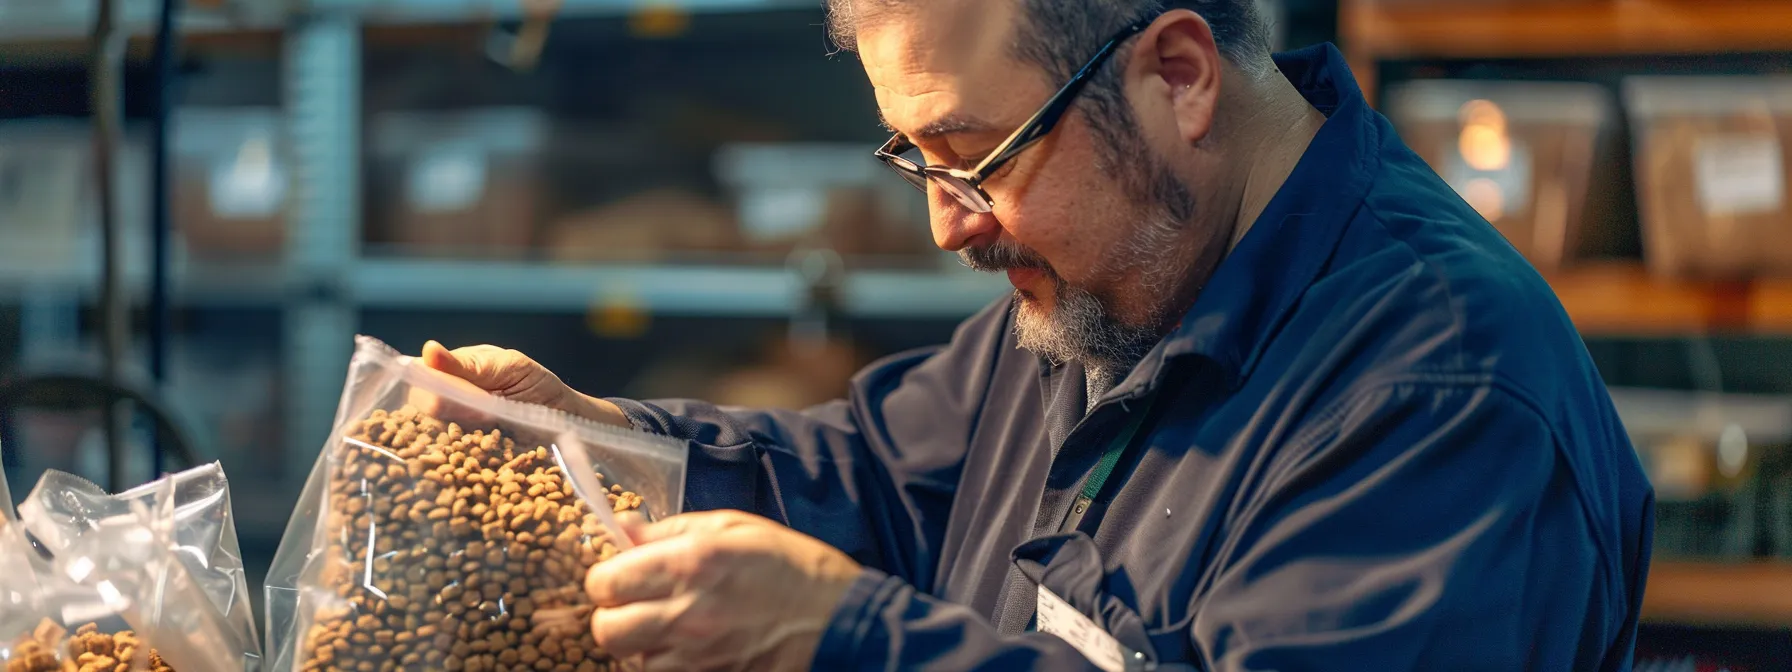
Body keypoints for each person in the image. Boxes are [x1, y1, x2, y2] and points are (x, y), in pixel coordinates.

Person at [423, 1, 1655, 669]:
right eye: (910, 159)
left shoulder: (1441, 400)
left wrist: (849, 644)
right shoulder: (1117, 288)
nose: (945, 227)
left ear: (1177, 74)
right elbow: (881, 482)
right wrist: (598, 446)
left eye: (973, 159)